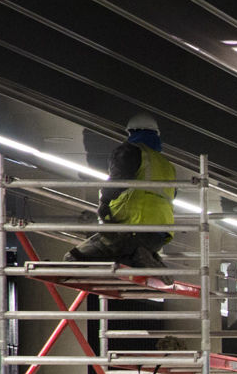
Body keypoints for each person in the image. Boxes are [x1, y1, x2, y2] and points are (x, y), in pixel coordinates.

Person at [66, 112, 175, 269]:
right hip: (159, 236)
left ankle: (138, 257)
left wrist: (104, 203)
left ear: (131, 133)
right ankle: (144, 258)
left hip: (131, 229)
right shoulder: (167, 165)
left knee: (73, 258)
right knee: (122, 259)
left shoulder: (130, 151)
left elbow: (118, 181)